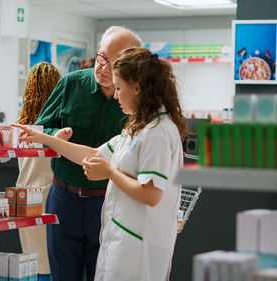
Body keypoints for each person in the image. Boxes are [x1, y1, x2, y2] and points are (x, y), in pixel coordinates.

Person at [13, 46, 188, 281]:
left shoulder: (158, 132)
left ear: (136, 88)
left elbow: (151, 194)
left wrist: (109, 173)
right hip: (121, 238)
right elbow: (93, 154)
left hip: (139, 246)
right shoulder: (137, 128)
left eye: (119, 88)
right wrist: (43, 137)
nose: (115, 95)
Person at [33, 26, 143, 281]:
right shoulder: (71, 84)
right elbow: (40, 128)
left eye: (113, 64)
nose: (103, 68)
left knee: (104, 275)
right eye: (101, 57)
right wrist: (54, 137)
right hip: (64, 199)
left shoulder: (136, 100)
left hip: (110, 202)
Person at [16, 62, 61, 281]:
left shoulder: (22, 125)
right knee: (49, 265)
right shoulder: (58, 127)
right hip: (48, 196)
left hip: (23, 198)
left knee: (30, 264)